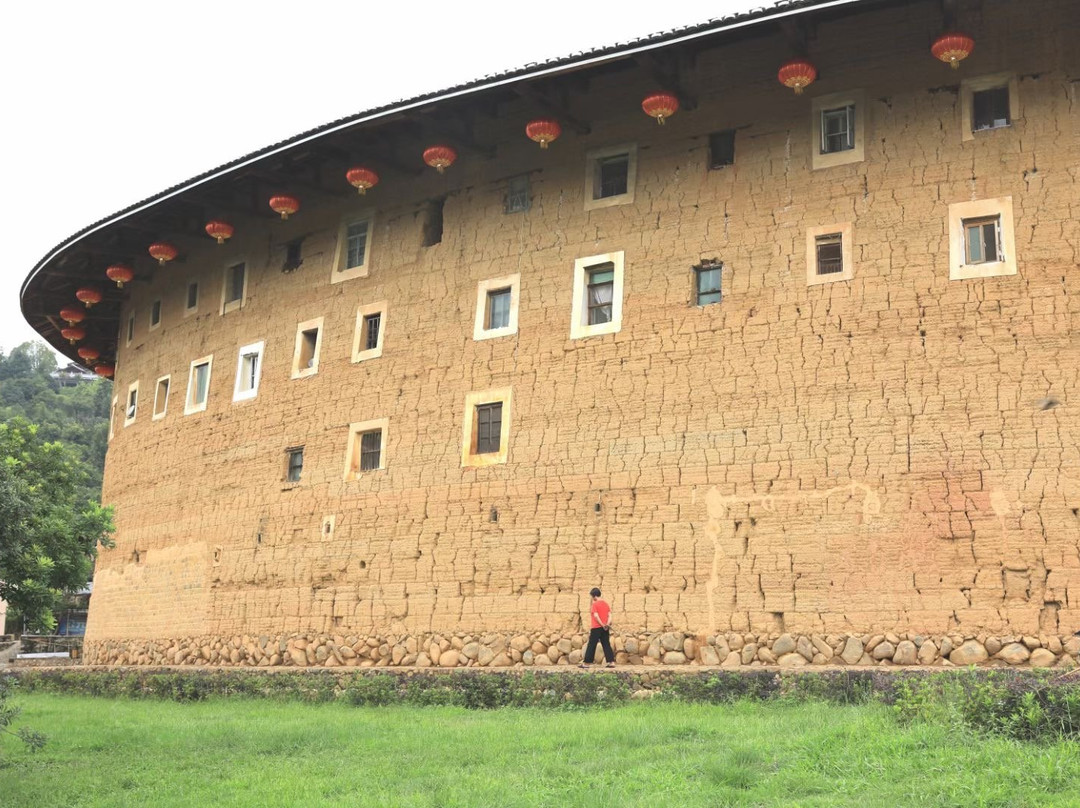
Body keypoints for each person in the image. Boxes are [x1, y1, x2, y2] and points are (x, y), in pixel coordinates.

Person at [580, 587, 615, 668]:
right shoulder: (606, 604)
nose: (592, 598)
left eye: (592, 596)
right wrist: (607, 624)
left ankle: (586, 663)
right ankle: (611, 662)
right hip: (605, 628)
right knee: (606, 644)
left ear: (594, 596)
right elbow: (610, 615)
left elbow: (596, 616)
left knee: (592, 644)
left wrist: (602, 624)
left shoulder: (595, 604)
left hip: (596, 627)